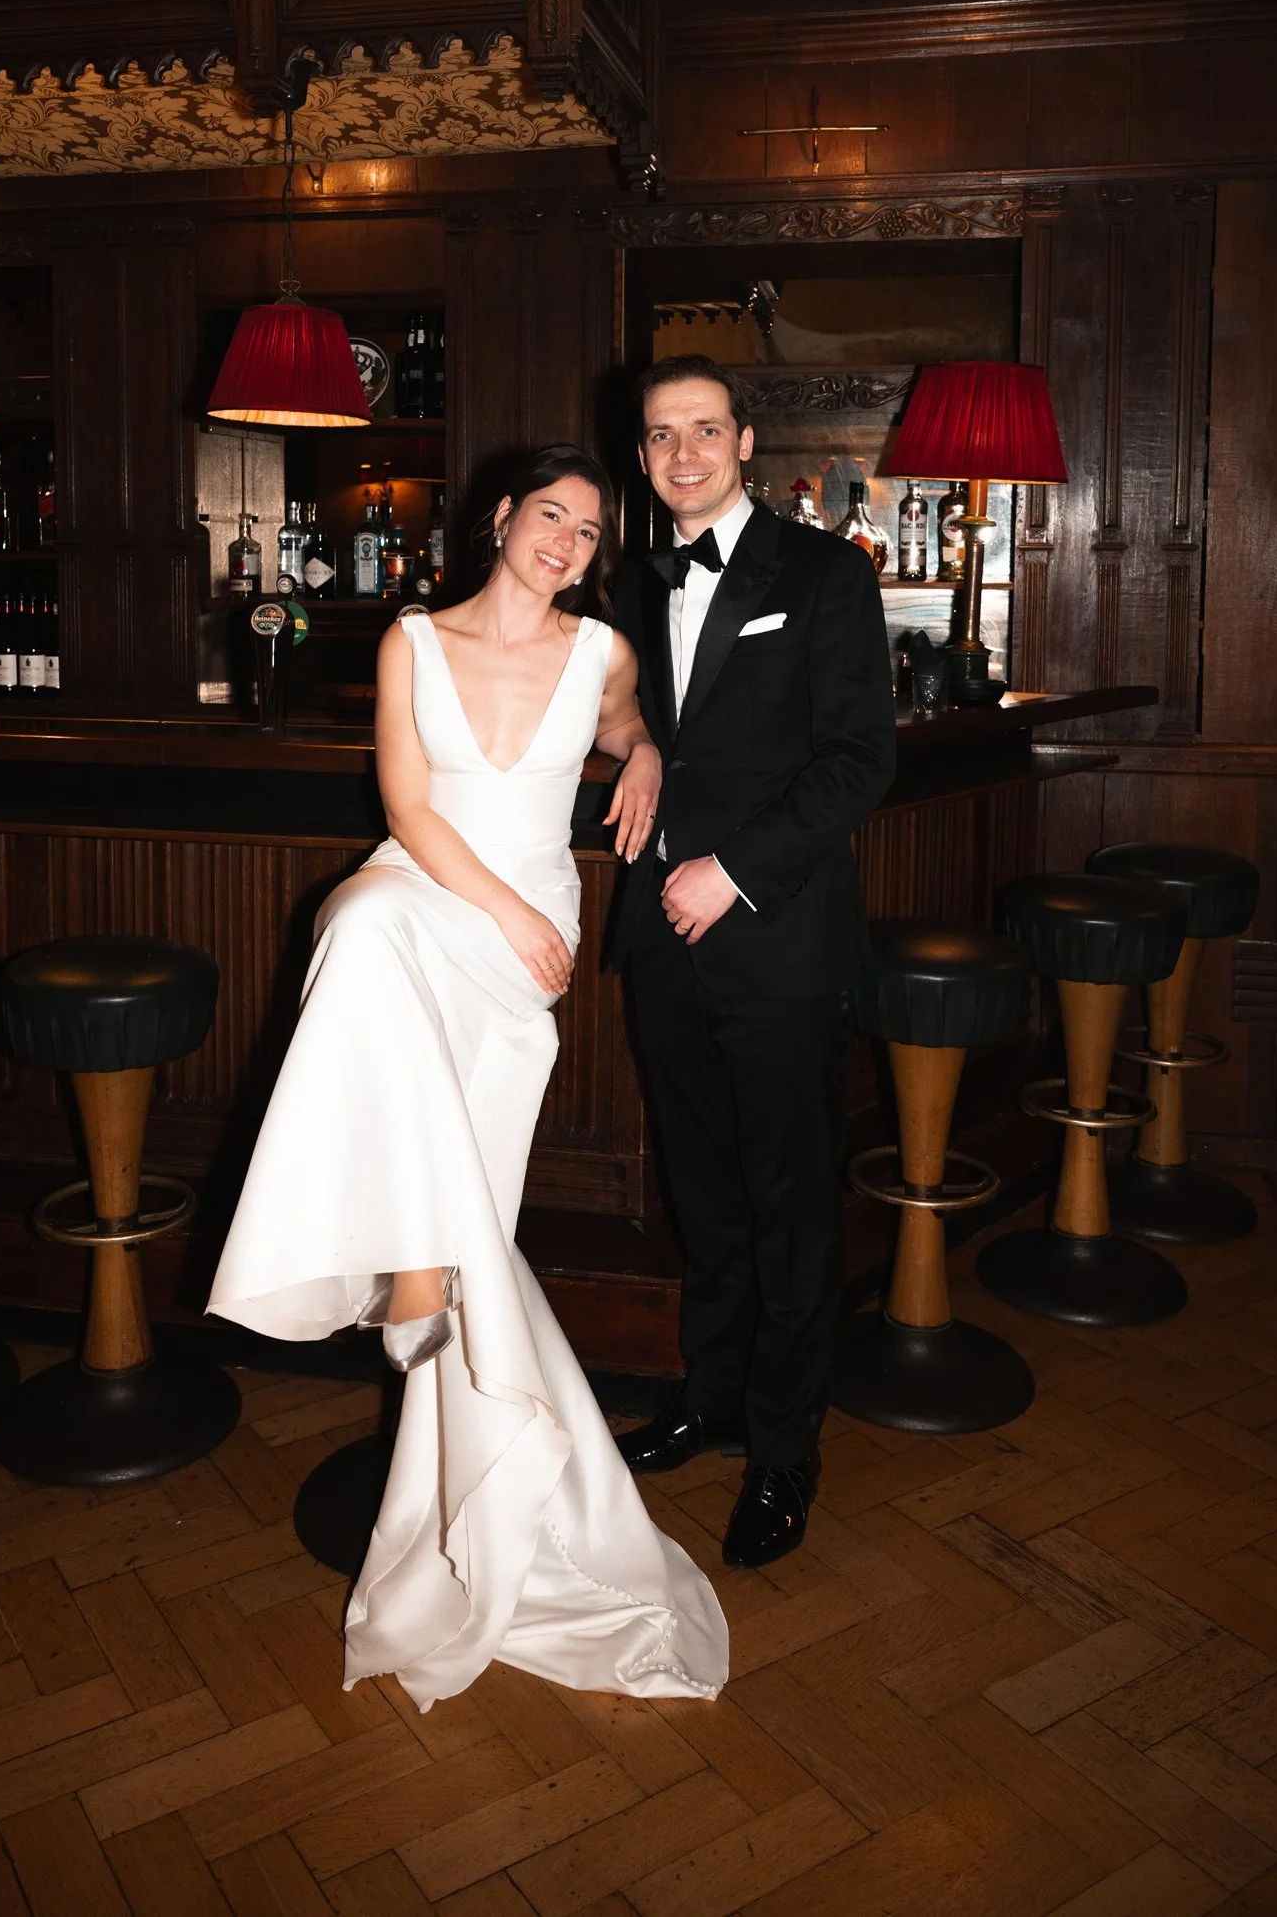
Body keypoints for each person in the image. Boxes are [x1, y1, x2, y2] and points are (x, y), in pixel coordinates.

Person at [209, 445, 726, 1711]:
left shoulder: (601, 649)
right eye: (549, 514)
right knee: (360, 926)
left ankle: (462, 1432)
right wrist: (490, 904)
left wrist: (647, 752)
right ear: (501, 518)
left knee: (473, 1201)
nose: (567, 539)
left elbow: (626, 728)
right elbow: (406, 798)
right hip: (435, 884)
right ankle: (412, 1270)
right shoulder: (410, 639)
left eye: (590, 529)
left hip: (525, 934)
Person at [611, 356, 897, 1568]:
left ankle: (784, 1450)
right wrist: (628, 744)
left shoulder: (826, 572)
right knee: (701, 1187)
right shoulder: (627, 579)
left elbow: (856, 761)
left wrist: (728, 871)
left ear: (741, 443)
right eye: (661, 434)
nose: (683, 452)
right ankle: (712, 1393)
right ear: (641, 455)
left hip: (774, 935)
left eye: (704, 430)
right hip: (659, 943)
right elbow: (613, 706)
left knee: (788, 1205)